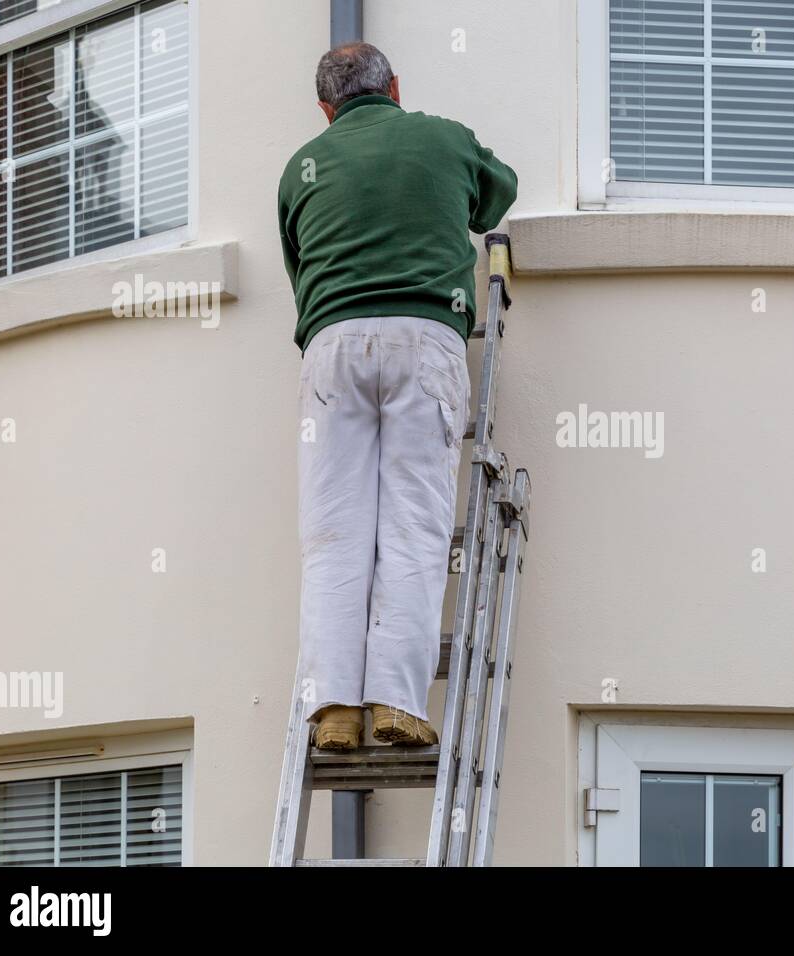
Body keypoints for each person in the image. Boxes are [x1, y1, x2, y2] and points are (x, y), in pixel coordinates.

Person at [277, 42, 518, 750]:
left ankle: (334, 709)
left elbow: (300, 264)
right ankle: (395, 703)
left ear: (327, 109)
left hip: (332, 347)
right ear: (396, 87)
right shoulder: (441, 137)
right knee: (413, 523)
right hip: (425, 336)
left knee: (332, 532)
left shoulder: (303, 167)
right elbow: (498, 192)